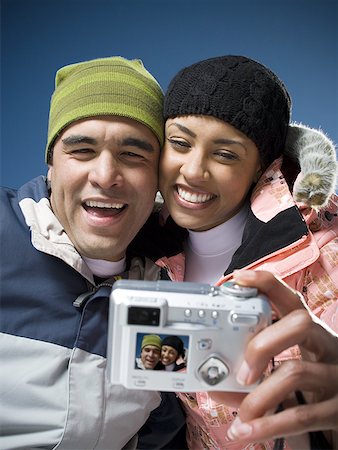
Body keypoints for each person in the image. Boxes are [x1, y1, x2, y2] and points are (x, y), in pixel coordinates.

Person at [0, 56, 186, 450]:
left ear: (159, 177)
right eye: (82, 150)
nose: (105, 176)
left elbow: (166, 433)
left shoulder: (170, 295)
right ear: (51, 164)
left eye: (134, 155)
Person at [152, 55, 338, 448]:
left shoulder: (324, 252)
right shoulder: (149, 254)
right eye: (180, 143)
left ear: (261, 166)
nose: (193, 170)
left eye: (225, 154)